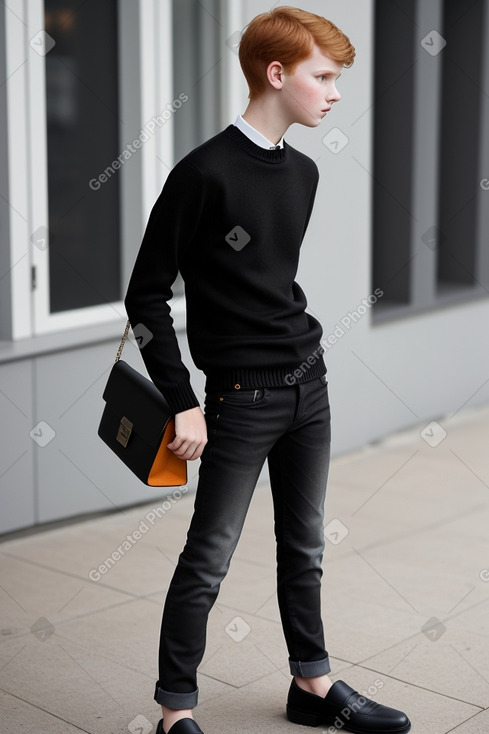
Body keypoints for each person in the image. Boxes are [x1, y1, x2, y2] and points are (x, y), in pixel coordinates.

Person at [125, 6, 411, 734]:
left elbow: (263, 281)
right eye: (323, 76)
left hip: (305, 385)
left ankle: (312, 687)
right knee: (209, 556)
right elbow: (146, 294)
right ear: (276, 73)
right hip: (239, 398)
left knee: (306, 546)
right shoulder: (202, 173)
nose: (334, 92)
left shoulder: (304, 172)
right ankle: (173, 711)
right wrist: (182, 400)